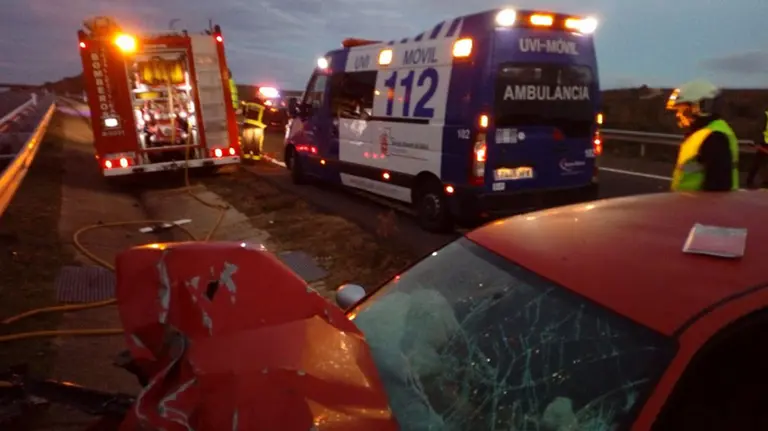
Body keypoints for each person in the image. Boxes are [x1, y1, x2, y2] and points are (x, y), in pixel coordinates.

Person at [666, 79, 739, 191]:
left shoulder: (714, 137)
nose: (678, 115)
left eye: (683, 110)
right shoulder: (702, 133)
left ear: (701, 107)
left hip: (702, 202)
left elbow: (718, 188)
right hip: (688, 200)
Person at [746, 109, 768, 188]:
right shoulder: (765, 116)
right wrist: (757, 142)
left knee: (759, 162)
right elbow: (758, 129)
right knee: (758, 162)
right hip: (765, 143)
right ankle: (750, 181)